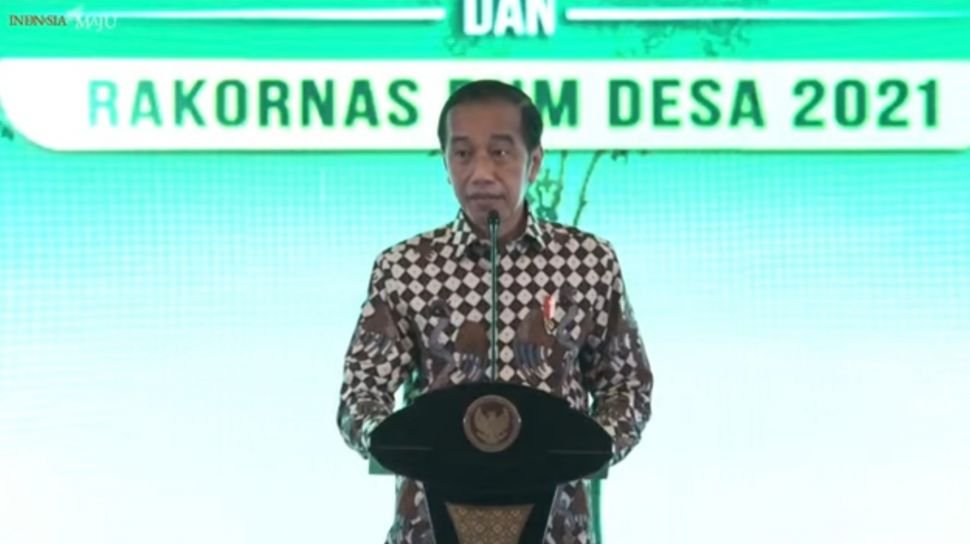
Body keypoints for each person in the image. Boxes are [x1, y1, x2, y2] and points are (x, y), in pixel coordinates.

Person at [337, 80, 653, 544]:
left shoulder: (588, 262)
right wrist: (385, 439)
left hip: (558, 530)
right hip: (428, 529)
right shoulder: (404, 267)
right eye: (463, 154)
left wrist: (590, 449)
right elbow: (360, 392)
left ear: (534, 162)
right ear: (445, 164)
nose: (481, 173)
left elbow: (627, 385)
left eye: (501, 153)